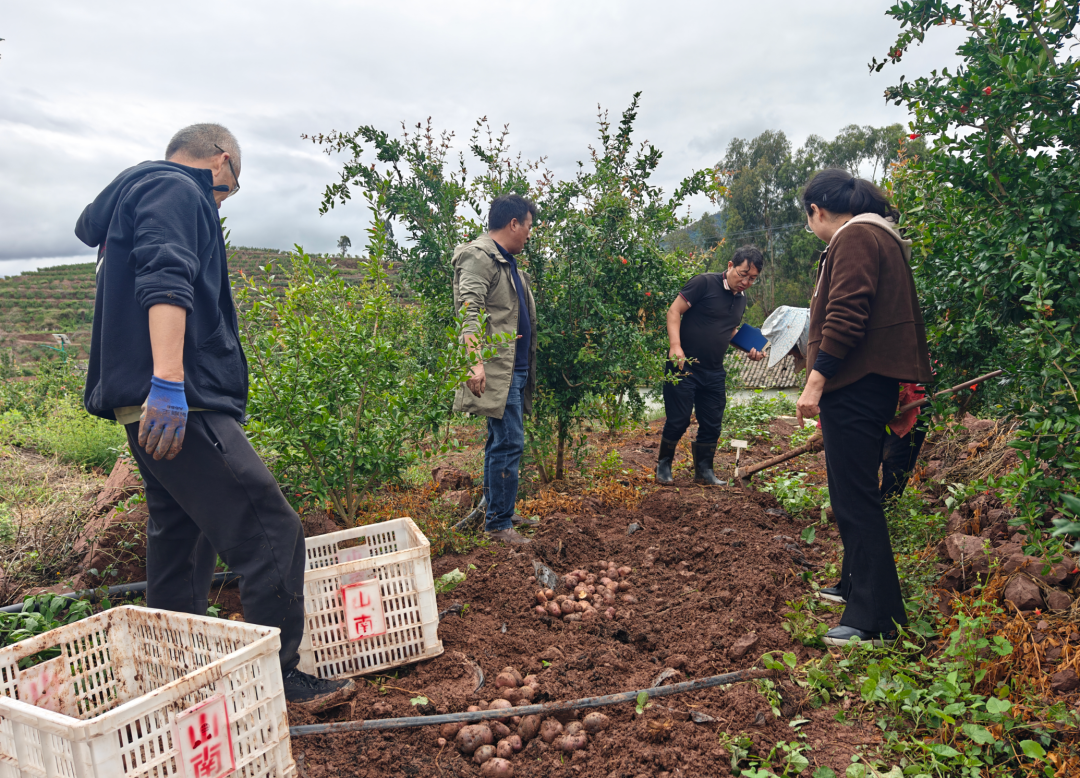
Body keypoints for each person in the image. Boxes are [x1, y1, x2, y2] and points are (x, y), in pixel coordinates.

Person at [75, 123, 354, 709]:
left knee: (182, 537)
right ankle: (280, 678)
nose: (220, 202)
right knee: (272, 530)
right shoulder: (178, 189)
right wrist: (170, 383)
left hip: (147, 407)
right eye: (227, 191)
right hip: (181, 403)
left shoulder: (134, 198)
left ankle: (173, 678)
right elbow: (166, 281)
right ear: (222, 163)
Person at [795, 168, 933, 647]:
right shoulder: (879, 234)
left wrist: (816, 382)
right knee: (852, 490)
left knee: (853, 495)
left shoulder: (855, 238)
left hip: (854, 382)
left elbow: (847, 315)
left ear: (817, 211)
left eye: (808, 218)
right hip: (869, 381)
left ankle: (876, 620)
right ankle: (854, 585)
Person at [452, 194, 540, 545]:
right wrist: (475, 363)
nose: (530, 235)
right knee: (509, 442)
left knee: (500, 441)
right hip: (497, 370)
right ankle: (498, 525)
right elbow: (467, 314)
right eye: (529, 227)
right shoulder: (479, 257)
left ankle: (499, 508)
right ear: (513, 223)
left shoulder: (507, 261)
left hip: (514, 368)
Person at [656, 246, 766, 486]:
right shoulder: (703, 283)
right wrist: (675, 346)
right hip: (684, 365)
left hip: (714, 370)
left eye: (752, 278)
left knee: (712, 421)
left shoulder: (741, 298)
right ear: (729, 266)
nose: (746, 282)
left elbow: (729, 330)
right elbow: (674, 311)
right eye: (742, 274)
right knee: (679, 419)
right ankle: (663, 465)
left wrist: (749, 349)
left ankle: (704, 471)